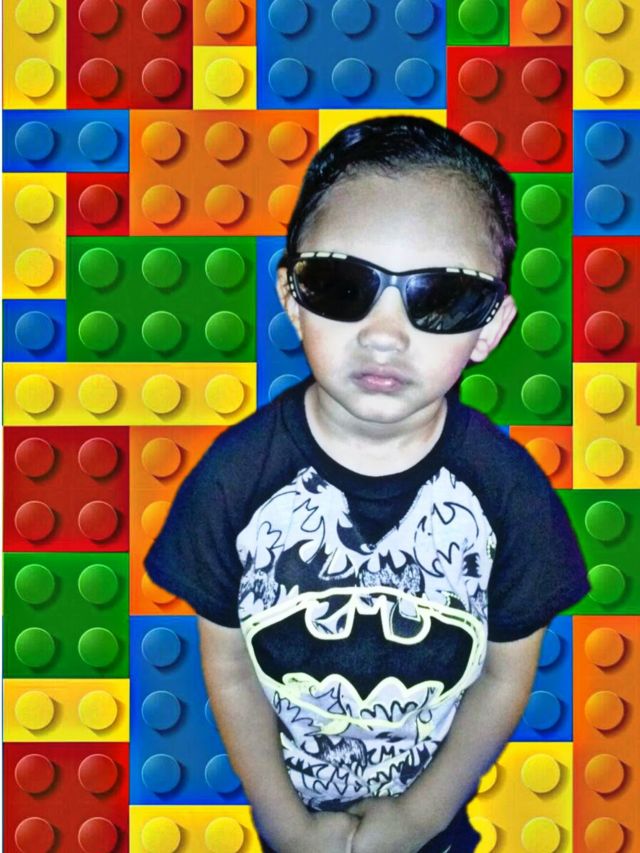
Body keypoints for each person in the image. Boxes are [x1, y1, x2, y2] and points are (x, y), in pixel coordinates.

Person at [144, 115, 589, 853]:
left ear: (489, 327)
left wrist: (416, 819)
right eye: (342, 284)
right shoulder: (234, 480)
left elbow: (505, 676)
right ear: (292, 297)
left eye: (442, 296)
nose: (385, 335)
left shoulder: (509, 496)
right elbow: (229, 664)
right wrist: (284, 825)